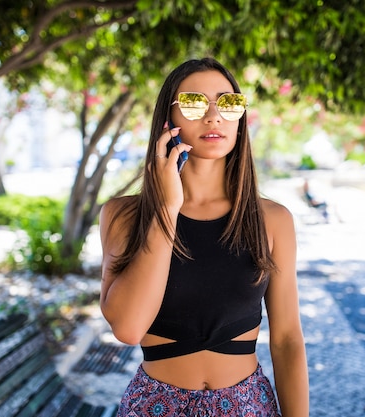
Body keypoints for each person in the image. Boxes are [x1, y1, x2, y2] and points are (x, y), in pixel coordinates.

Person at [99, 57, 309, 416]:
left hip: (248, 407)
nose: (214, 116)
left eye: (228, 103)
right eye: (195, 103)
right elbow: (129, 329)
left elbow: (288, 340)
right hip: (154, 407)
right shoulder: (124, 215)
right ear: (169, 120)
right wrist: (167, 208)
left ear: (240, 119)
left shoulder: (272, 220)